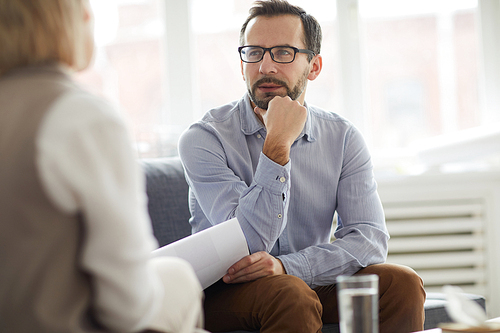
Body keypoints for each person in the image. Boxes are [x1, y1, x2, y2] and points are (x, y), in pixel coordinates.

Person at [178, 0, 426, 332]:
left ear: (314, 66)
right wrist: (277, 144)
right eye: (254, 52)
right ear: (241, 65)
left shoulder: (342, 137)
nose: (266, 66)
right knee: (291, 294)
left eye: (283, 53)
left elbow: (369, 239)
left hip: (301, 279)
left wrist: (288, 266)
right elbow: (249, 243)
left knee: (402, 283)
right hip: (223, 292)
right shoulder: (204, 138)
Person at [0, 1, 206, 332]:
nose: (90, 17)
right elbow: (129, 308)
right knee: (179, 278)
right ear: (64, 22)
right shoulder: (82, 117)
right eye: (82, 8)